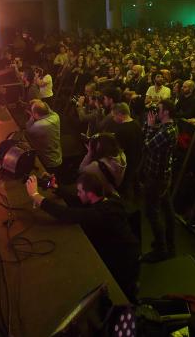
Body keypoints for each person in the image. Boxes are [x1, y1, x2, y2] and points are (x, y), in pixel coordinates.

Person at [26, 172, 140, 301]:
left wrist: (35, 195)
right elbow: (80, 201)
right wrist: (56, 188)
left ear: (90, 194)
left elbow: (67, 214)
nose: (78, 193)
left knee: (122, 294)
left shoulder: (99, 215)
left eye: (80, 191)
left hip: (124, 260)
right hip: (129, 249)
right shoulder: (108, 199)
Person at [140, 99, 178, 263]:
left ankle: (161, 249)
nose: (157, 112)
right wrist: (152, 125)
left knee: (152, 212)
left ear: (166, 112)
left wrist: (149, 126)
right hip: (163, 175)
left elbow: (147, 145)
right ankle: (169, 243)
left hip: (157, 177)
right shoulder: (168, 127)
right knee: (167, 210)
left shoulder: (167, 131)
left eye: (160, 110)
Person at [78, 133, 126, 197]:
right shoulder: (122, 155)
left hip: (102, 194)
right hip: (114, 190)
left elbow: (81, 170)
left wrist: (89, 153)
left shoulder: (97, 166)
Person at [24, 99, 62, 174]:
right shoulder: (55, 116)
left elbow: (27, 129)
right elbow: (48, 109)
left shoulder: (38, 125)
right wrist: (39, 102)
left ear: (36, 114)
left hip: (48, 162)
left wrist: (31, 116)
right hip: (57, 156)